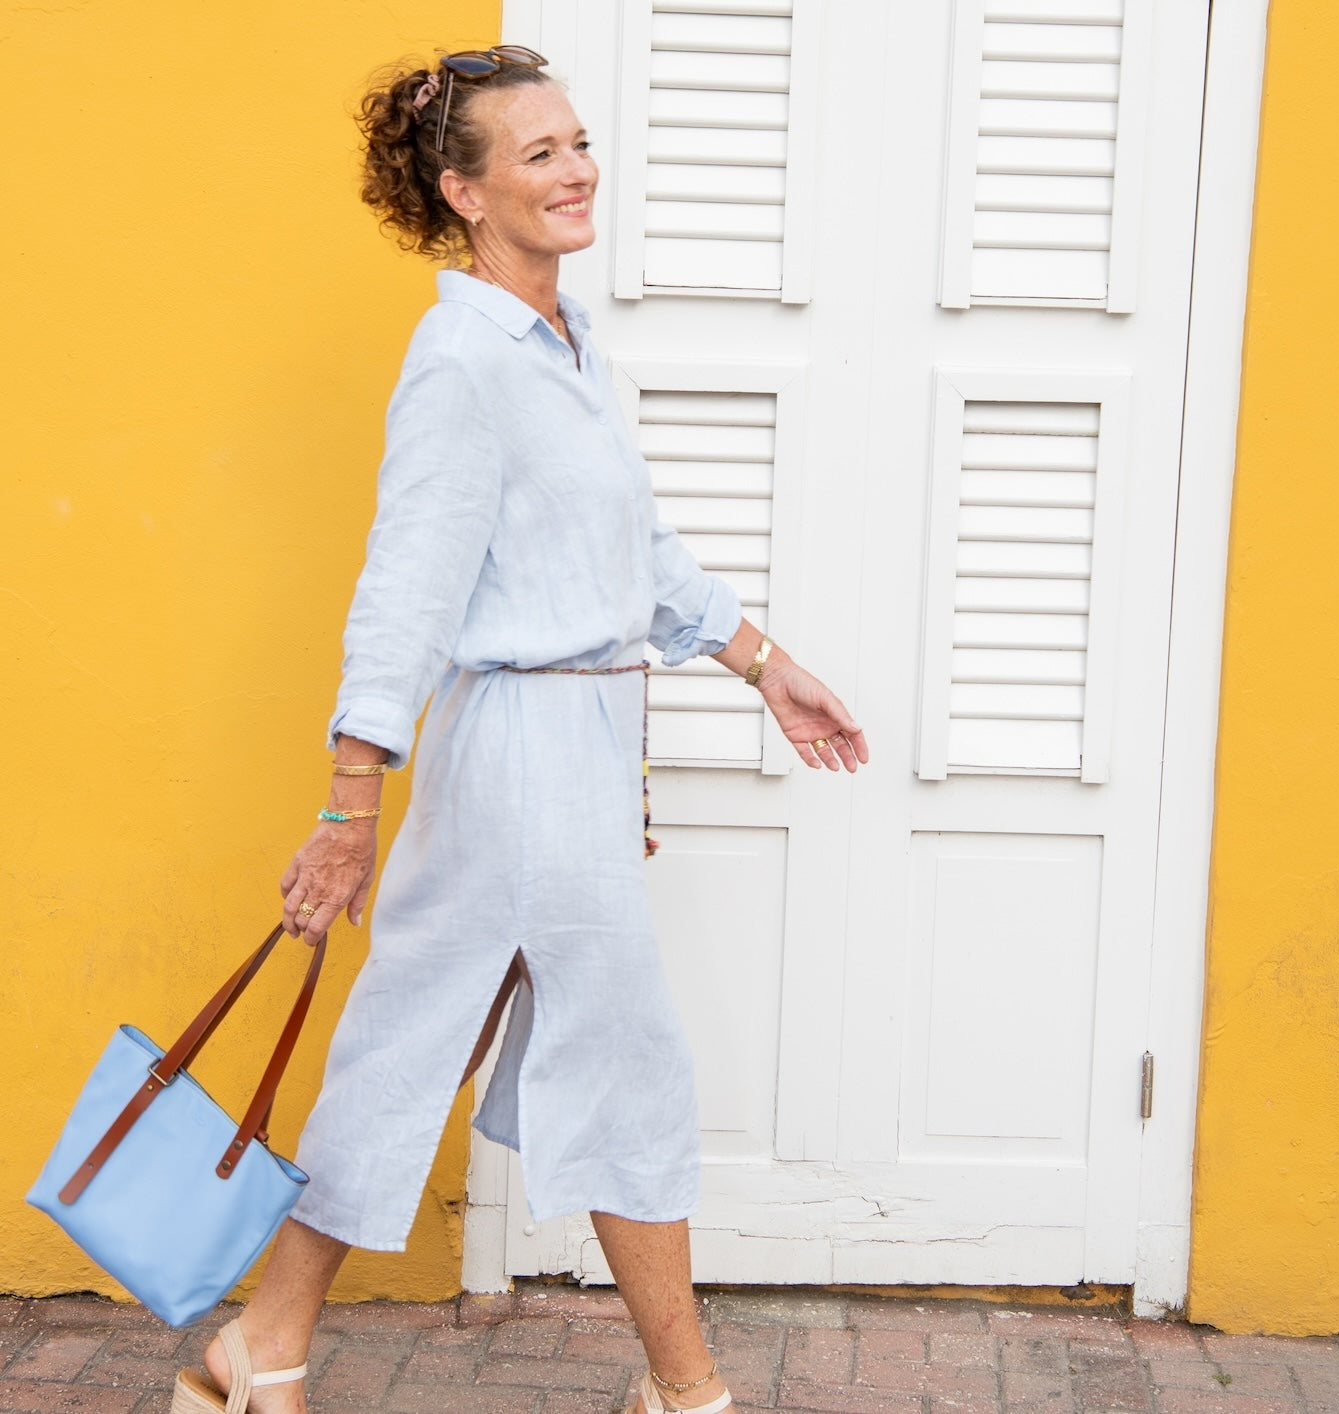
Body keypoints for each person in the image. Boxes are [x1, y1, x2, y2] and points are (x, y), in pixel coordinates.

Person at [170, 47, 868, 1414]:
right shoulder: (462, 361)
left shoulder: (565, 342)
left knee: (406, 1043)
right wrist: (346, 800)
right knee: (622, 1062)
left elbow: (632, 549)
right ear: (463, 191)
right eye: (536, 153)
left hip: (574, 748)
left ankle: (260, 1343)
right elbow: (406, 586)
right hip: (524, 758)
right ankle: (687, 1387)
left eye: (578, 143)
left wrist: (763, 662)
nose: (575, 170)